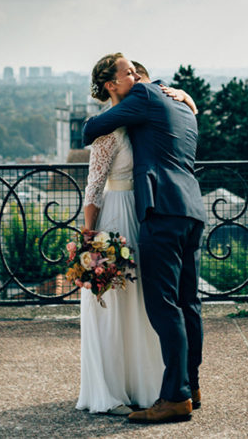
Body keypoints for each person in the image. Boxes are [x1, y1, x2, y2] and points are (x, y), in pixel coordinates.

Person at [82, 53, 206, 425]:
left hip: (162, 211)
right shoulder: (181, 106)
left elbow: (92, 129)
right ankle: (191, 385)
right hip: (191, 209)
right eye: (128, 72)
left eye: (135, 73)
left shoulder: (145, 95)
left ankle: (175, 398)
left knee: (163, 305)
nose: (134, 77)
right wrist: (186, 95)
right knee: (189, 304)